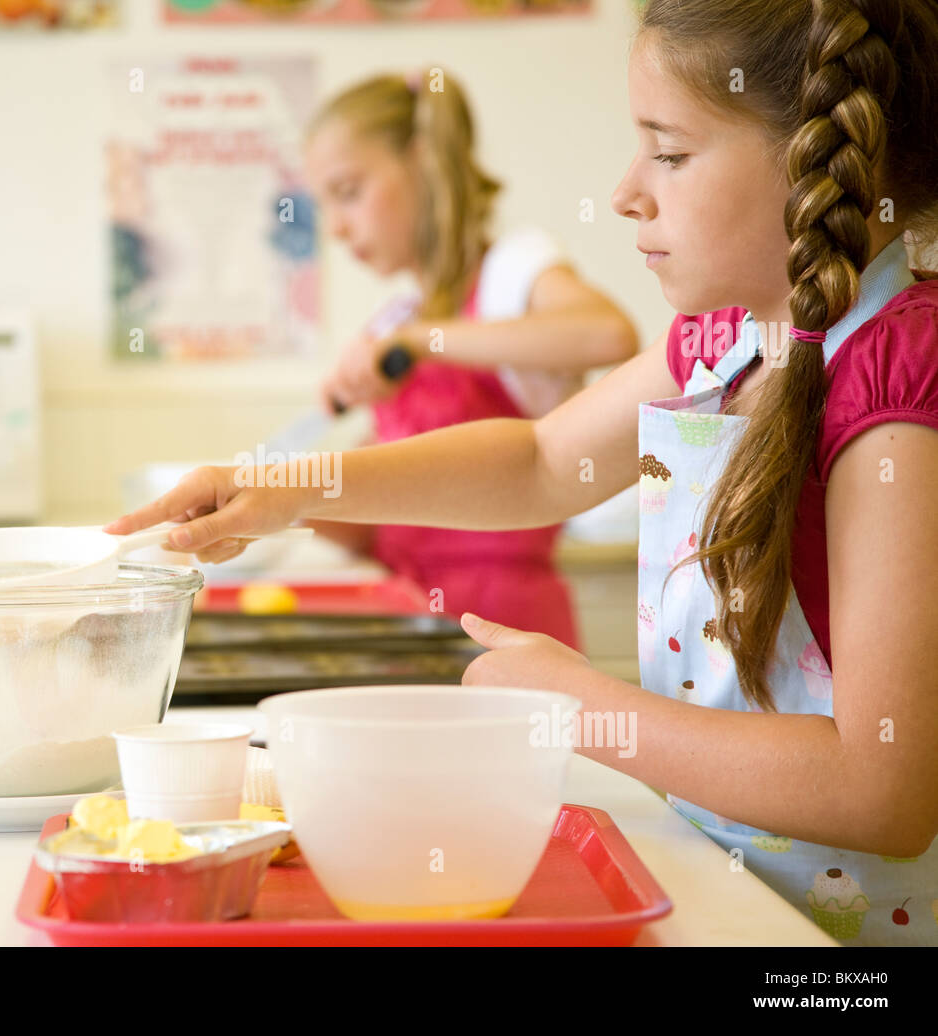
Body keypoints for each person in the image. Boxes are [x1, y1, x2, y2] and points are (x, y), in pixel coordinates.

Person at [107, 0, 938, 945]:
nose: (627, 191)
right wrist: (295, 486)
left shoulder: (895, 373)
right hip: (722, 890)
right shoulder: (725, 342)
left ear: (818, 157)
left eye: (668, 153)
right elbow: (542, 460)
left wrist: (586, 711)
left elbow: (885, 790)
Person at [299, 71, 637, 651]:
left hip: (508, 630)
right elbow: (384, 514)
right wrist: (288, 494)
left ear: (423, 161)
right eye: (323, 203)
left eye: (349, 191)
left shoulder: (512, 269)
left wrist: (419, 340)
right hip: (409, 629)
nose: (335, 227)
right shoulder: (394, 319)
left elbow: (607, 334)